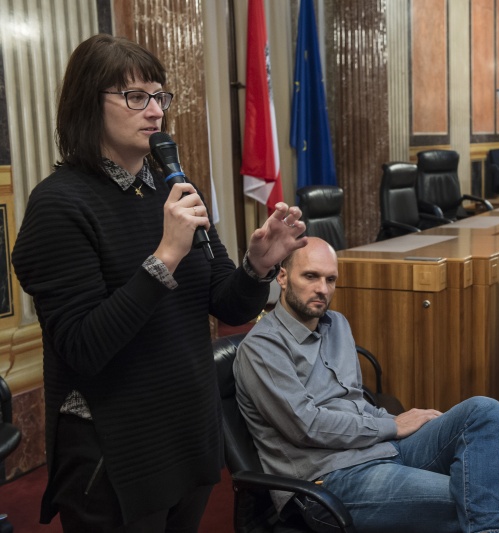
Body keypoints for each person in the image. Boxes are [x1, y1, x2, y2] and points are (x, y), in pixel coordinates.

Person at [11, 34, 307, 532]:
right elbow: (83, 346)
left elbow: (226, 305)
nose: (154, 111)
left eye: (159, 96)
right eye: (134, 97)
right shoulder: (58, 205)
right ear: (88, 104)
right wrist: (165, 255)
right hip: (115, 456)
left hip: (188, 433)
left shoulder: (170, 188)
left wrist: (257, 266)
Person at [234, 237, 499, 533]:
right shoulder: (262, 347)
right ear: (283, 277)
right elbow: (307, 426)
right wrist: (392, 426)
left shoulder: (337, 324)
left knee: (484, 411)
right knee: (480, 499)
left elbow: (355, 401)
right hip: (329, 480)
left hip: (380, 449)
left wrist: (391, 420)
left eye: (331, 279)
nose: (322, 289)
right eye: (311, 276)